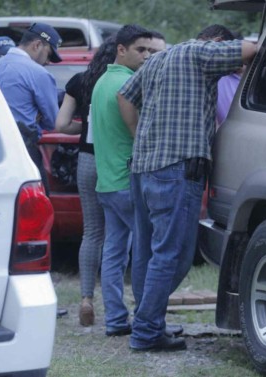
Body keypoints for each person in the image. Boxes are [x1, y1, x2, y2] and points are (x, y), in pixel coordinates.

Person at [118, 24, 258, 352]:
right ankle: (147, 332)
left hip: (143, 168)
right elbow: (251, 50)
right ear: (219, 44)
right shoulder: (201, 52)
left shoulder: (157, 59)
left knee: (147, 252)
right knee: (174, 254)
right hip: (178, 169)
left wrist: (138, 134)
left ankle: (147, 320)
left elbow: (123, 96)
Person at [90, 24, 166, 337]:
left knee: (114, 254)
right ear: (121, 49)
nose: (147, 56)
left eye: (150, 50)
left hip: (106, 182)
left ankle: (115, 320)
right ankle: (147, 320)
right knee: (146, 253)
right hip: (126, 181)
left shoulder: (101, 81)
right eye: (141, 50)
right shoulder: (129, 83)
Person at [55, 36, 117, 327]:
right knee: (120, 233)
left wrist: (87, 124)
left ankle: (85, 298)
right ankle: (115, 306)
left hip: (87, 160)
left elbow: (62, 125)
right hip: (116, 161)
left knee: (92, 232)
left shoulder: (80, 81)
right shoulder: (124, 80)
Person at [0, 23, 63, 195]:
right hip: (23, 149)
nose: (48, 62)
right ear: (37, 45)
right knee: (37, 202)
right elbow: (53, 121)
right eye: (49, 55)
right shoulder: (39, 73)